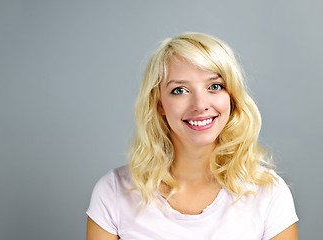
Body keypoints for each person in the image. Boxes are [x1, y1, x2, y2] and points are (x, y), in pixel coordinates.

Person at [86, 32, 298, 240]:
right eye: (180, 90)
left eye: (215, 86)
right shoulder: (113, 192)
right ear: (159, 104)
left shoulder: (269, 194)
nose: (200, 105)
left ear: (231, 97)